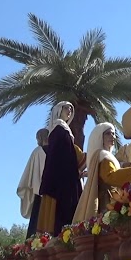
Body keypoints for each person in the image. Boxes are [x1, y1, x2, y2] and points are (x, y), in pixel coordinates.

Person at [72, 122, 131, 224]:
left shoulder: (104, 156)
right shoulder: (103, 156)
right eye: (108, 133)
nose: (112, 136)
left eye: (113, 134)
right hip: (106, 202)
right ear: (100, 137)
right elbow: (110, 177)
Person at [36, 101, 86, 236]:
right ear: (59, 110)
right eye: (66, 108)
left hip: (63, 175)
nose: (69, 111)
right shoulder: (59, 129)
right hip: (61, 178)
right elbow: (64, 154)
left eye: (71, 109)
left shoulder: (61, 129)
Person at [17, 128, 49, 239]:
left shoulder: (37, 152)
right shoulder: (56, 152)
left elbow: (28, 175)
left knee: (36, 228)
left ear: (40, 138)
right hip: (52, 194)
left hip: (40, 194)